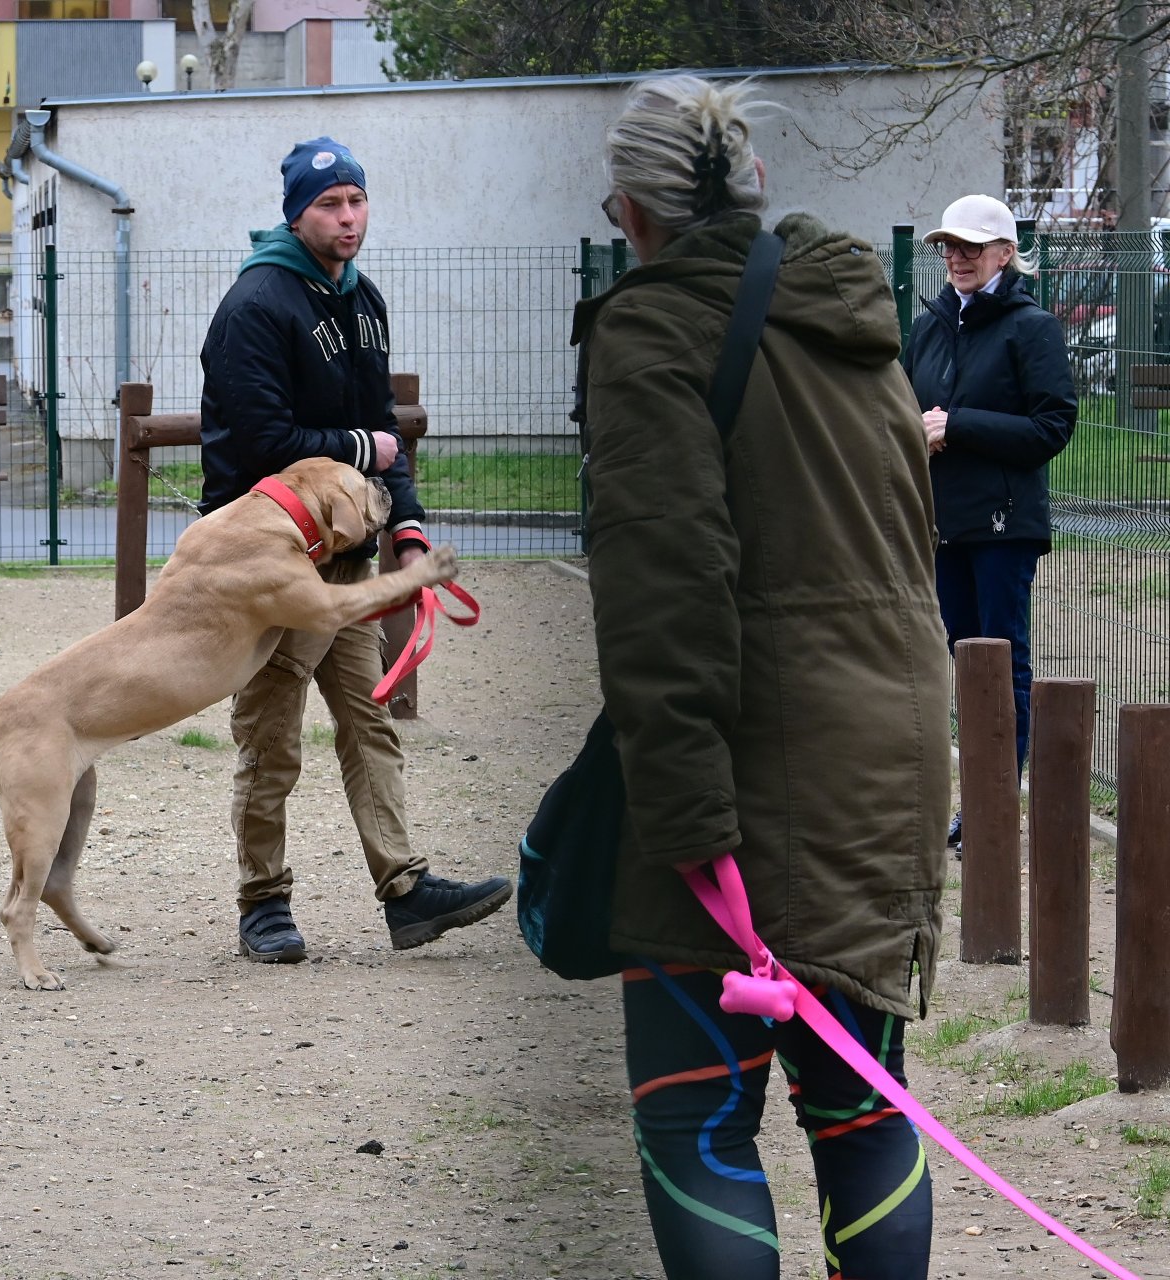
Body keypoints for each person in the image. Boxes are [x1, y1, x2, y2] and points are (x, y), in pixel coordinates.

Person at [575, 75, 949, 1278]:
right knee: (866, 1110)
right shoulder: (859, 319)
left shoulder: (651, 329)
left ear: (630, 211)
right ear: (758, 183)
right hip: (885, 754)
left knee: (696, 1119)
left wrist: (685, 824)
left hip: (742, 770)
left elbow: (663, 592)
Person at [197, 135, 510, 964]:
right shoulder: (255, 306)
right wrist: (359, 450)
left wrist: (404, 526)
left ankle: (404, 891)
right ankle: (262, 901)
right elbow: (266, 440)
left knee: (369, 719)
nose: (348, 217)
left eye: (357, 200)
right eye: (331, 204)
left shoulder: (362, 300)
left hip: (348, 553)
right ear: (296, 212)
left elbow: (388, 434)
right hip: (271, 558)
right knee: (273, 734)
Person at [903, 194, 1077, 848]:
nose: (955, 258)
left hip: (1005, 527)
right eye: (948, 246)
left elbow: (1052, 426)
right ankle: (977, 802)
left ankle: (994, 805)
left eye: (970, 247)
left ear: (1005, 252)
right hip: (945, 525)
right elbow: (904, 401)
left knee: (1002, 664)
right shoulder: (931, 326)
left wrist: (959, 426)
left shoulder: (1031, 328)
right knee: (963, 661)